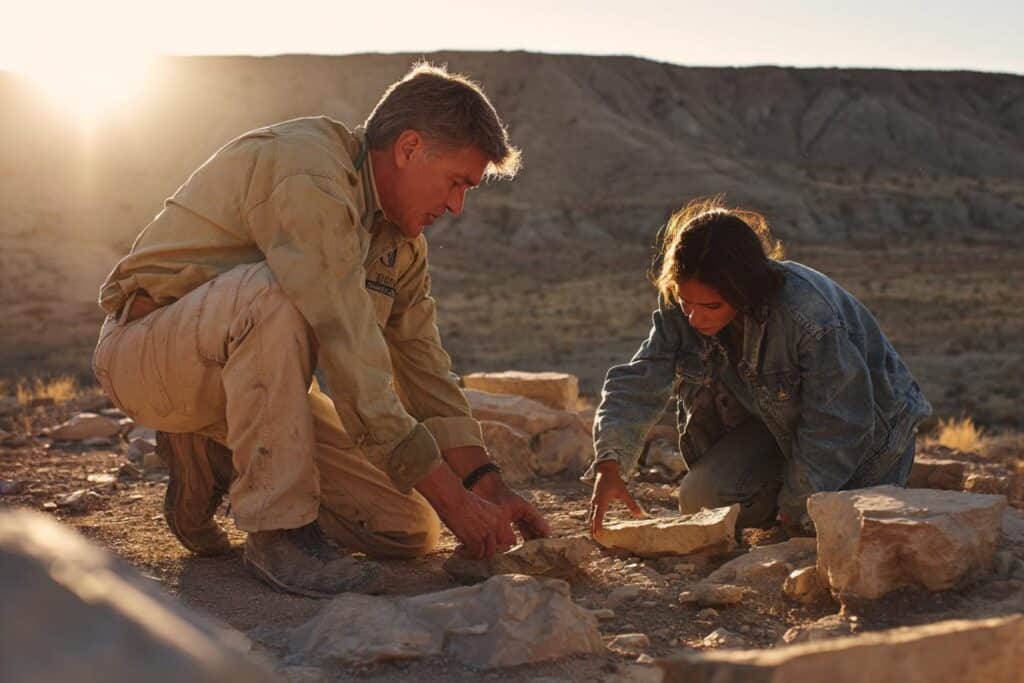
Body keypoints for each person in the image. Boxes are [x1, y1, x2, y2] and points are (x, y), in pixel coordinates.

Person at [92, 63, 549, 598]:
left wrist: (484, 488)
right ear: (408, 148)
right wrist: (457, 506)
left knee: (407, 527)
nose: (456, 206)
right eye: (456, 183)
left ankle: (213, 452)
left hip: (246, 377)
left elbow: (424, 368)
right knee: (276, 292)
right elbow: (354, 359)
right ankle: (278, 531)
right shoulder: (309, 170)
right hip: (146, 358)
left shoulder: (400, 242)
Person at [587, 197, 931, 536]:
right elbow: (639, 380)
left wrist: (796, 506)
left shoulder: (807, 316)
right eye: (684, 300)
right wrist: (610, 463)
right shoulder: (685, 310)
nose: (694, 317)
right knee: (701, 500)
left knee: (835, 534)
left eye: (710, 305)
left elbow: (841, 422)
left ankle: (797, 506)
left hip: (868, 443)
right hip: (778, 429)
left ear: (744, 290)